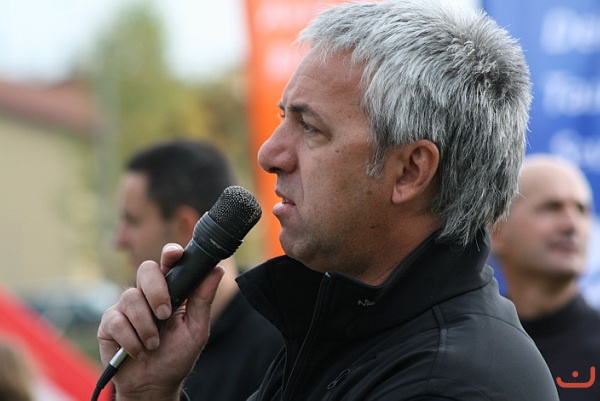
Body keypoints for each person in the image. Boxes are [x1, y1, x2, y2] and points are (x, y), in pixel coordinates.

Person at [97, 1, 560, 400]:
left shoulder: (447, 383)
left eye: (310, 127)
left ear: (410, 171)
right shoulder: (347, 332)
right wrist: (150, 393)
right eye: (283, 118)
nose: (269, 154)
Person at [112, 139, 282, 401]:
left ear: (185, 225)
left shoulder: (280, 346)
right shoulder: (142, 343)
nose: (119, 241)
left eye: (132, 221)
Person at [490, 154, 600, 401]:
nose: (571, 225)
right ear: (496, 230)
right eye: (551, 207)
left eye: (582, 210)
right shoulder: (469, 345)